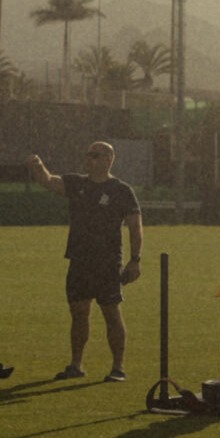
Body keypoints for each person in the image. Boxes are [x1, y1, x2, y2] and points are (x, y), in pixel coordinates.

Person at [26, 141, 143, 381]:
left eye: (94, 155)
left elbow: (135, 226)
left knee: (112, 314)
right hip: (79, 260)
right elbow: (50, 181)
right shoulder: (77, 183)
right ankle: (76, 365)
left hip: (107, 262)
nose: (88, 158)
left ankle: (118, 368)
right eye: (87, 154)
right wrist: (38, 166)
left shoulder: (121, 190)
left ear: (109, 159)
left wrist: (135, 260)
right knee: (79, 314)